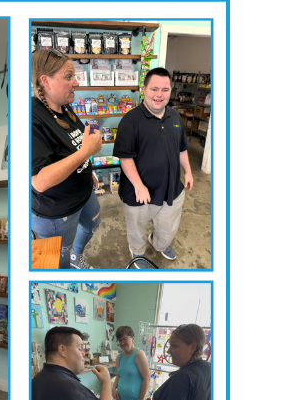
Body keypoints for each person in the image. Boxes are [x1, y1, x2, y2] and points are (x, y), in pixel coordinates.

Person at [30, 48, 104, 269]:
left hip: (83, 193)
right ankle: (67, 266)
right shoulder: (31, 119)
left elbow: (71, 144)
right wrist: (85, 153)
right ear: (46, 81)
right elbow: (39, 181)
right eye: (68, 77)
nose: (76, 83)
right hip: (56, 212)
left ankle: (76, 257)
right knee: (55, 262)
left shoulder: (62, 106)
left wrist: (87, 170)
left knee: (93, 224)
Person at [113, 67, 195, 266]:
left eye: (165, 90)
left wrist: (189, 172)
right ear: (144, 90)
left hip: (171, 190)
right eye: (154, 89)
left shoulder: (175, 117)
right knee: (136, 230)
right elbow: (125, 158)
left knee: (167, 229)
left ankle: (159, 243)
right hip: (140, 194)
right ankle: (138, 254)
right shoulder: (130, 120)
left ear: (170, 91)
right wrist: (139, 186)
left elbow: (181, 149)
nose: (159, 95)